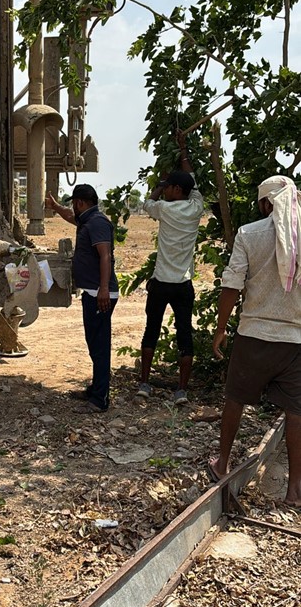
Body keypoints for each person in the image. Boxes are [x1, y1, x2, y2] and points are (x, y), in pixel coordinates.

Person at [209, 175, 301, 508]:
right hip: (295, 340)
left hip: (254, 336)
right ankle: (294, 490)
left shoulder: (250, 233)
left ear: (265, 204)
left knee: (235, 398)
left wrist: (221, 329)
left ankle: (222, 463)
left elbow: (232, 285)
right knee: (296, 413)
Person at [137, 131, 204, 405]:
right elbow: (194, 183)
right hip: (183, 284)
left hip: (161, 282)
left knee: (150, 329)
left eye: (169, 187)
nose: (166, 190)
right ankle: (181, 390)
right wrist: (184, 151)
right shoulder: (196, 207)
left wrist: (159, 182)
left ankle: (144, 383)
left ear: (177, 190)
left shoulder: (165, 208)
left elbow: (147, 203)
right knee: (184, 334)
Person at [46, 184, 119, 413]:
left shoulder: (97, 223)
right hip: (95, 292)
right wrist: (56, 207)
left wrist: (104, 289)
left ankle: (99, 400)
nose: (72, 209)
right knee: (94, 343)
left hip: (100, 294)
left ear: (80, 203)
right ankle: (96, 389)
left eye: (72, 204)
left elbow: (105, 256)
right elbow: (70, 217)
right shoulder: (88, 219)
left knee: (99, 346)